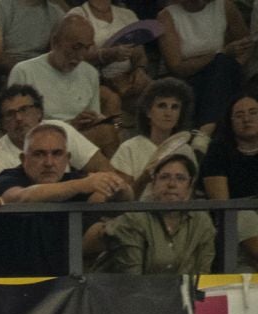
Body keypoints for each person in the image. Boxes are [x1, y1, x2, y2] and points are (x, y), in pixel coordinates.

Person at [0, 122, 129, 276]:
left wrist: (119, 187)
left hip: (60, 289)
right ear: (23, 158)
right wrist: (81, 185)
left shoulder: (75, 180)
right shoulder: (7, 178)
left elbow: (124, 199)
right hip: (2, 285)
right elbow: (22, 197)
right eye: (39, 154)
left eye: (57, 153)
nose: (49, 163)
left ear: (68, 158)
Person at [9, 14, 117, 154]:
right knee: (107, 134)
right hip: (39, 143)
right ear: (55, 42)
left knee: (112, 128)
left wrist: (92, 121)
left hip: (80, 140)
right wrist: (70, 126)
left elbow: (93, 117)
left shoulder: (90, 73)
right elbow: (19, 126)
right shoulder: (24, 71)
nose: (80, 56)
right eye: (76, 47)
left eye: (86, 48)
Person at [103, 154, 217, 275]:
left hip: (183, 292)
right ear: (153, 184)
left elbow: (203, 274)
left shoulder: (201, 221)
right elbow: (132, 279)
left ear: (190, 186)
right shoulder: (134, 218)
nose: (172, 184)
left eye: (180, 178)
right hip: (132, 291)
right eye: (164, 177)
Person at [156, 0, 251, 142]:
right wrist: (221, 53)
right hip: (190, 78)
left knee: (223, 67)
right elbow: (177, 67)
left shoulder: (225, 6)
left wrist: (236, 64)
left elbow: (246, 43)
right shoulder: (166, 16)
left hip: (224, 72)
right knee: (221, 63)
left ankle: (205, 131)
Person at [0, 82, 110, 182]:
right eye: (10, 114)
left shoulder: (60, 130)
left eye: (24, 109)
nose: (19, 118)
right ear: (2, 124)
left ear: (39, 112)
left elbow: (104, 169)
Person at [200, 88, 258, 271]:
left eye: (253, 113)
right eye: (239, 115)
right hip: (237, 226)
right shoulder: (218, 152)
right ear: (230, 121)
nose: (247, 119)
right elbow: (222, 206)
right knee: (242, 214)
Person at [109, 79, 202, 191]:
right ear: (148, 111)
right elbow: (122, 199)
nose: (168, 113)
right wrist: (146, 176)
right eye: (162, 106)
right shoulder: (129, 148)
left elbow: (189, 194)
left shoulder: (186, 151)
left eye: (175, 107)